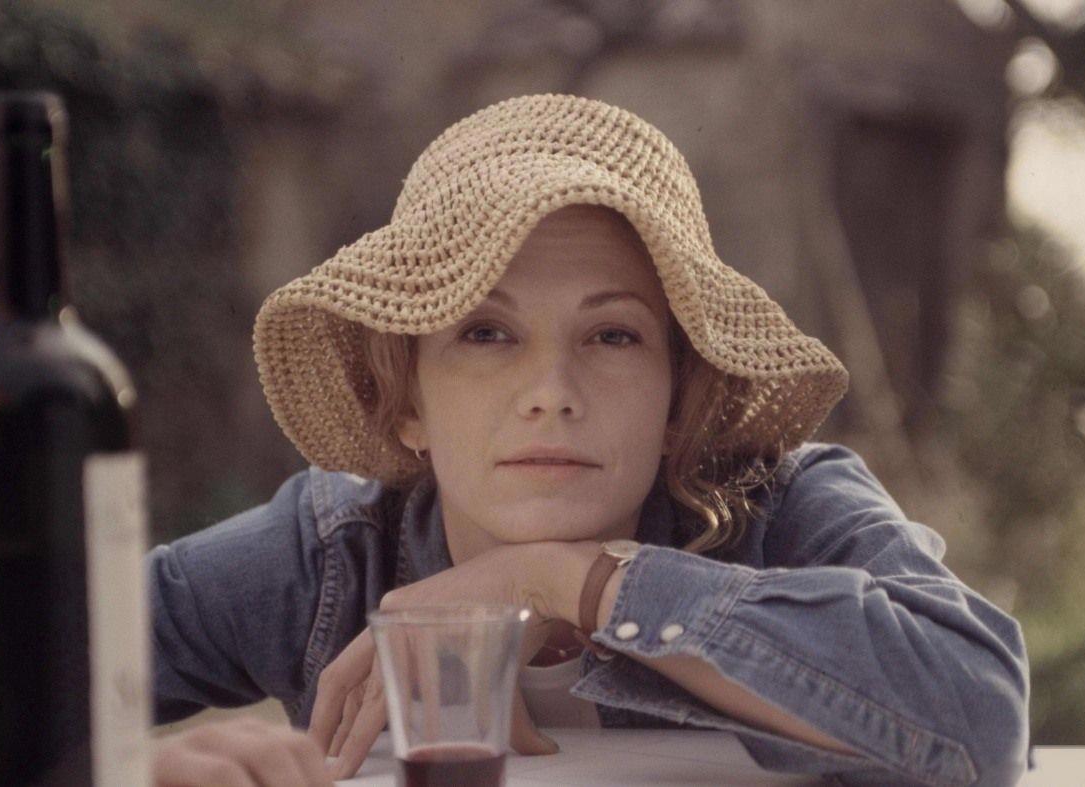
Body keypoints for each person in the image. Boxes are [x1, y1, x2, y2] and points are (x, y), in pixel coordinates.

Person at [147, 94, 1030, 785]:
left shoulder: (784, 508)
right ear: (405, 402)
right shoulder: (331, 551)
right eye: (485, 333)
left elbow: (983, 716)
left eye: (612, 335)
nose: (551, 395)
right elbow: (63, 657)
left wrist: (563, 578)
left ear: (679, 398)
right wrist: (137, 767)